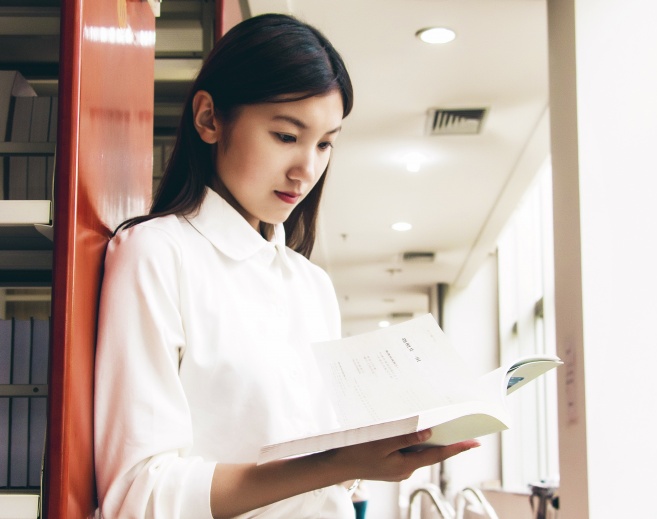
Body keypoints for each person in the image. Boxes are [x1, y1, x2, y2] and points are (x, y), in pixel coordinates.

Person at [93, 13, 480, 519]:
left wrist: (369, 451)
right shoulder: (156, 254)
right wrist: (335, 463)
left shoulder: (310, 285)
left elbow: (322, 476)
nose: (307, 170)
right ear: (209, 118)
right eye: (285, 136)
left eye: (324, 144)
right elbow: (139, 495)